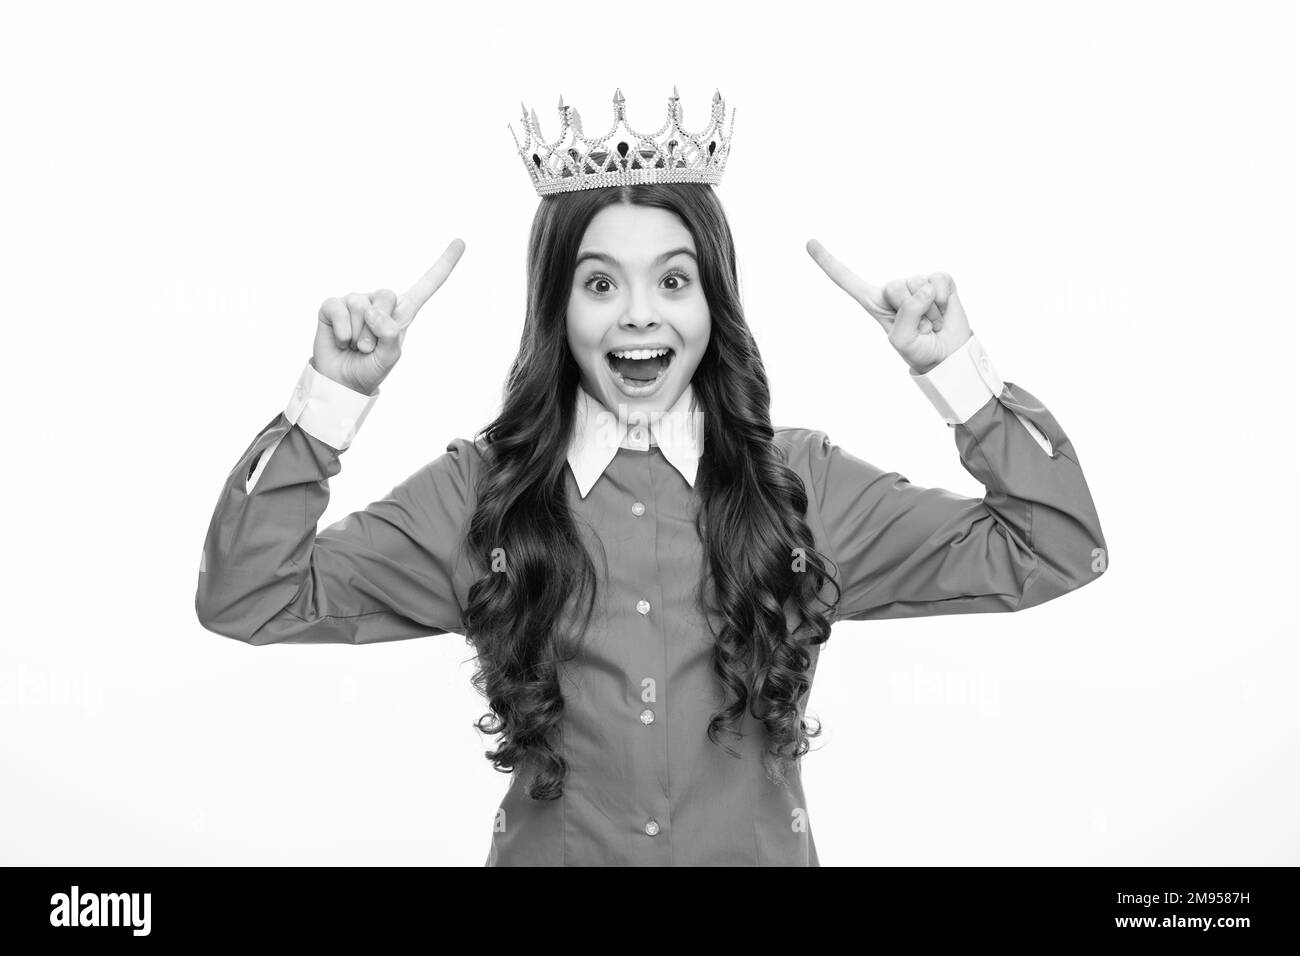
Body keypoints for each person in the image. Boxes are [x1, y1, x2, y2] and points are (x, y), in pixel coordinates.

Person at [194, 88, 1108, 866]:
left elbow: (1056, 546)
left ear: (714, 300)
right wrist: (328, 403)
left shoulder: (802, 489)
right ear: (557, 306)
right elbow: (251, 597)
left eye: (673, 281)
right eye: (600, 284)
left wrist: (956, 373)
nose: (640, 315)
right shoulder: (482, 498)